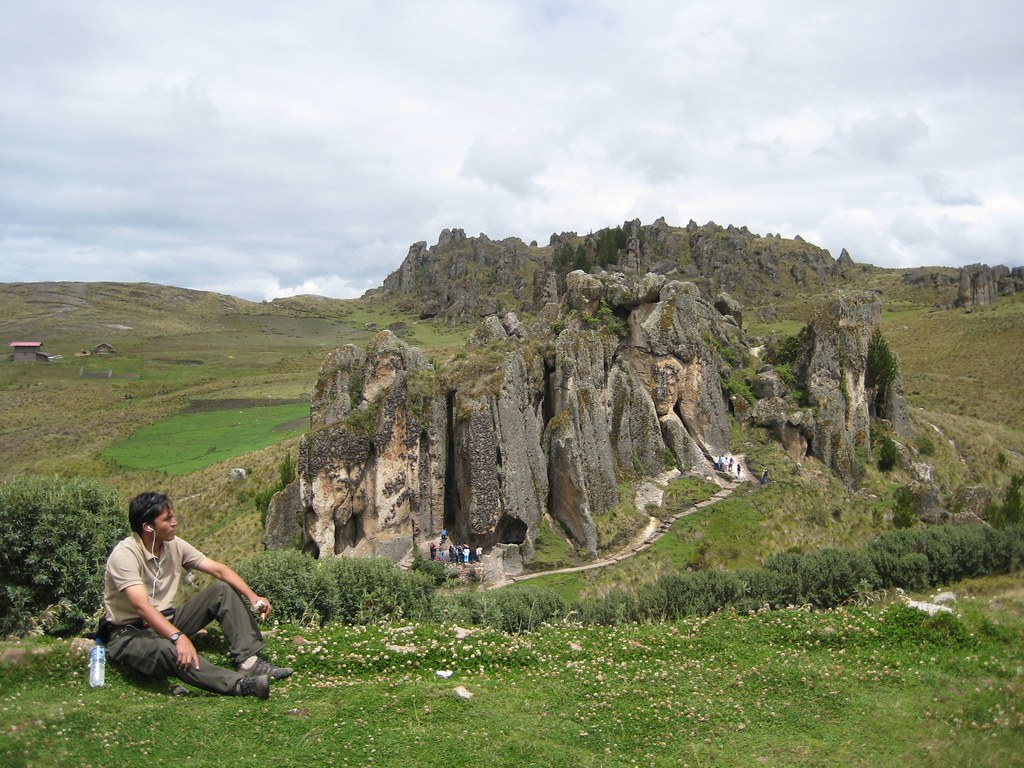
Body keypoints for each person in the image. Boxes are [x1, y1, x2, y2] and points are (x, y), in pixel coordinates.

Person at [98, 492, 292, 699]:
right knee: (170, 649)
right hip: (129, 633)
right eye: (167, 519)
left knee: (221, 591)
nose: (175, 522)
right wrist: (178, 637)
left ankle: (249, 663)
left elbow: (218, 570)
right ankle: (240, 685)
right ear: (148, 527)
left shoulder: (173, 544)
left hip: (166, 619)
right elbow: (141, 607)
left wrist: (253, 597)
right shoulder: (125, 555)